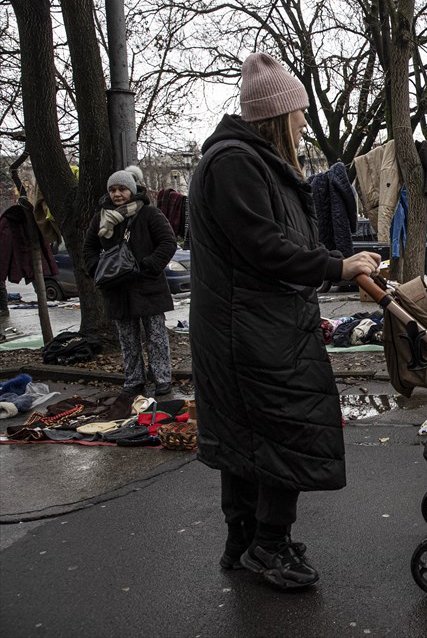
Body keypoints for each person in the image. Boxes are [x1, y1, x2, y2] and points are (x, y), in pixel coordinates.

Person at [188, 52, 380, 591]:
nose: (303, 122)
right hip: (251, 330)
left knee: (249, 435)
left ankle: (246, 540)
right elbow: (264, 246)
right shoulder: (235, 163)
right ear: (277, 114)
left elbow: (279, 242)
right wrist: (336, 266)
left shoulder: (249, 162)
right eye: (298, 112)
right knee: (283, 429)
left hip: (255, 324)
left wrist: (332, 262)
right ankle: (266, 545)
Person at [84, 168, 177, 397]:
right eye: (113, 189)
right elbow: (88, 249)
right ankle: (134, 380)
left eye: (122, 189)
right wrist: (99, 269)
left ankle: (162, 378)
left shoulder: (149, 214)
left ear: (131, 190)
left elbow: (167, 242)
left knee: (156, 336)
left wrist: (148, 265)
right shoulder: (101, 218)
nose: (117, 194)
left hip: (148, 286)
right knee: (127, 339)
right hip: (117, 289)